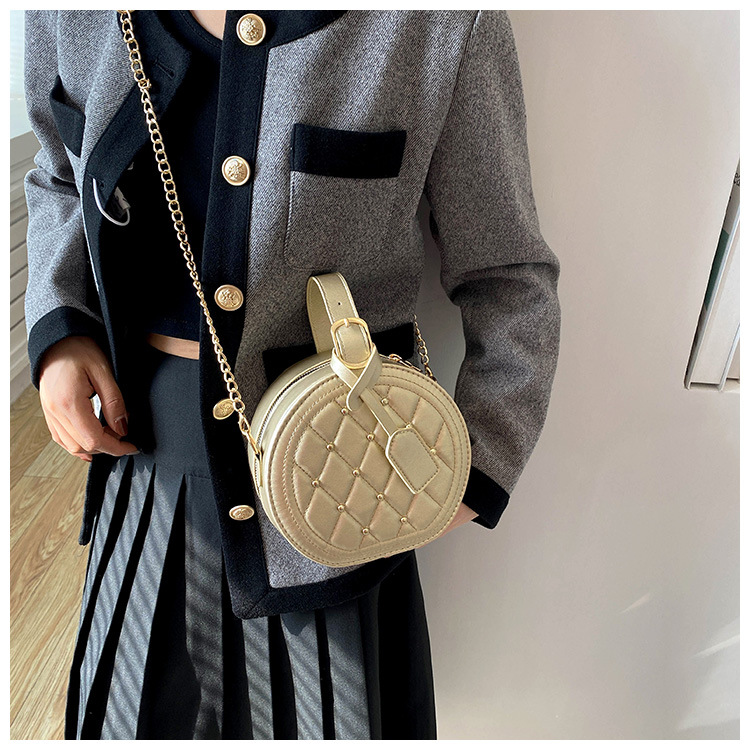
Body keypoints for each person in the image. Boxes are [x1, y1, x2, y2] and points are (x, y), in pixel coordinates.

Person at [23, 9, 561, 740]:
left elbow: (508, 274)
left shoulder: (441, 24)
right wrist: (60, 329)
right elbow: (58, 172)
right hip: (143, 465)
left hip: (340, 489)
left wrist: (470, 469)